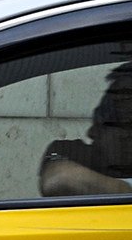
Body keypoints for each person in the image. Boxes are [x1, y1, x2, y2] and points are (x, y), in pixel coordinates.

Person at [38, 62, 132, 197]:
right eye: (121, 123)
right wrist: (125, 191)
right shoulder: (73, 153)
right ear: (96, 130)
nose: (128, 136)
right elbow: (58, 179)